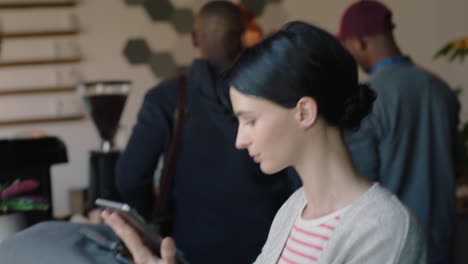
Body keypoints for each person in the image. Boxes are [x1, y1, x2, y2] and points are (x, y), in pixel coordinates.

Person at [103, 21, 427, 264]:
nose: (240, 141)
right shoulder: (294, 209)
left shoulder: (383, 229)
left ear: (303, 112)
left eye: (251, 120)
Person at [115, 1, 299, 264]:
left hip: (187, 248)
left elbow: (130, 178)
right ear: (243, 39)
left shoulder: (165, 98)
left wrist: (151, 221)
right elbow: (298, 176)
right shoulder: (273, 93)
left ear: (193, 40)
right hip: (270, 246)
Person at [337, 1, 460, 263]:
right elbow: (457, 163)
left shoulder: (366, 100)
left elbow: (360, 187)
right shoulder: (440, 88)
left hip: (395, 244)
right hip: (445, 239)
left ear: (358, 42)